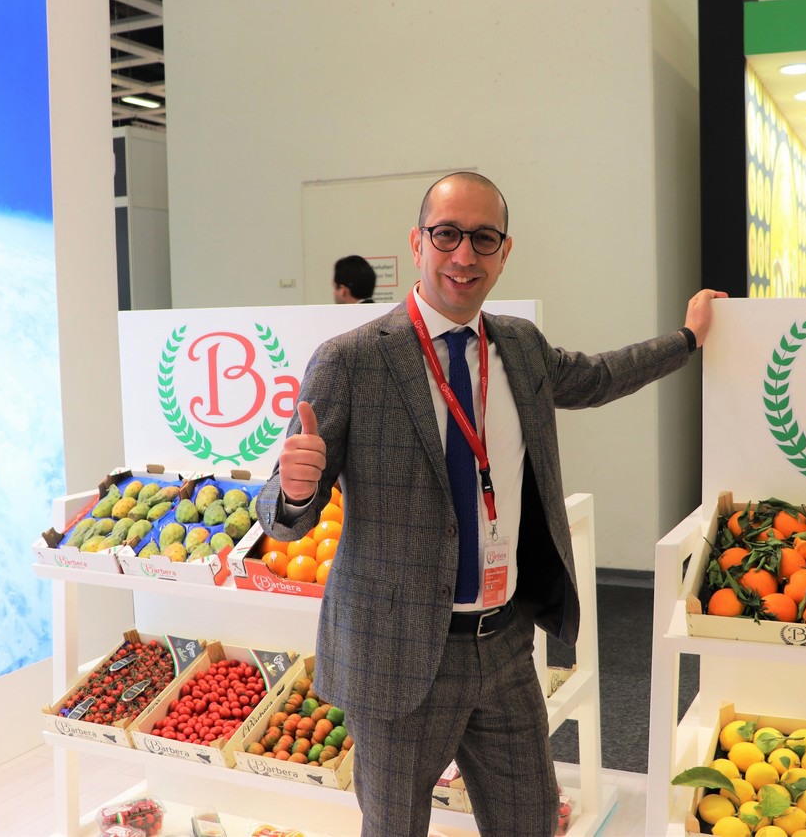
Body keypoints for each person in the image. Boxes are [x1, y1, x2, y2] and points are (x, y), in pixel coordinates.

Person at [257, 171, 725, 836]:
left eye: (483, 238)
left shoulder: (520, 346)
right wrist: (295, 489)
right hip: (397, 655)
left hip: (504, 646)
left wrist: (687, 338)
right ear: (417, 242)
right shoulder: (351, 361)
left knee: (530, 821)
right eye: (446, 234)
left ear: (505, 252)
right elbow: (283, 517)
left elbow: (599, 376)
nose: (463, 254)